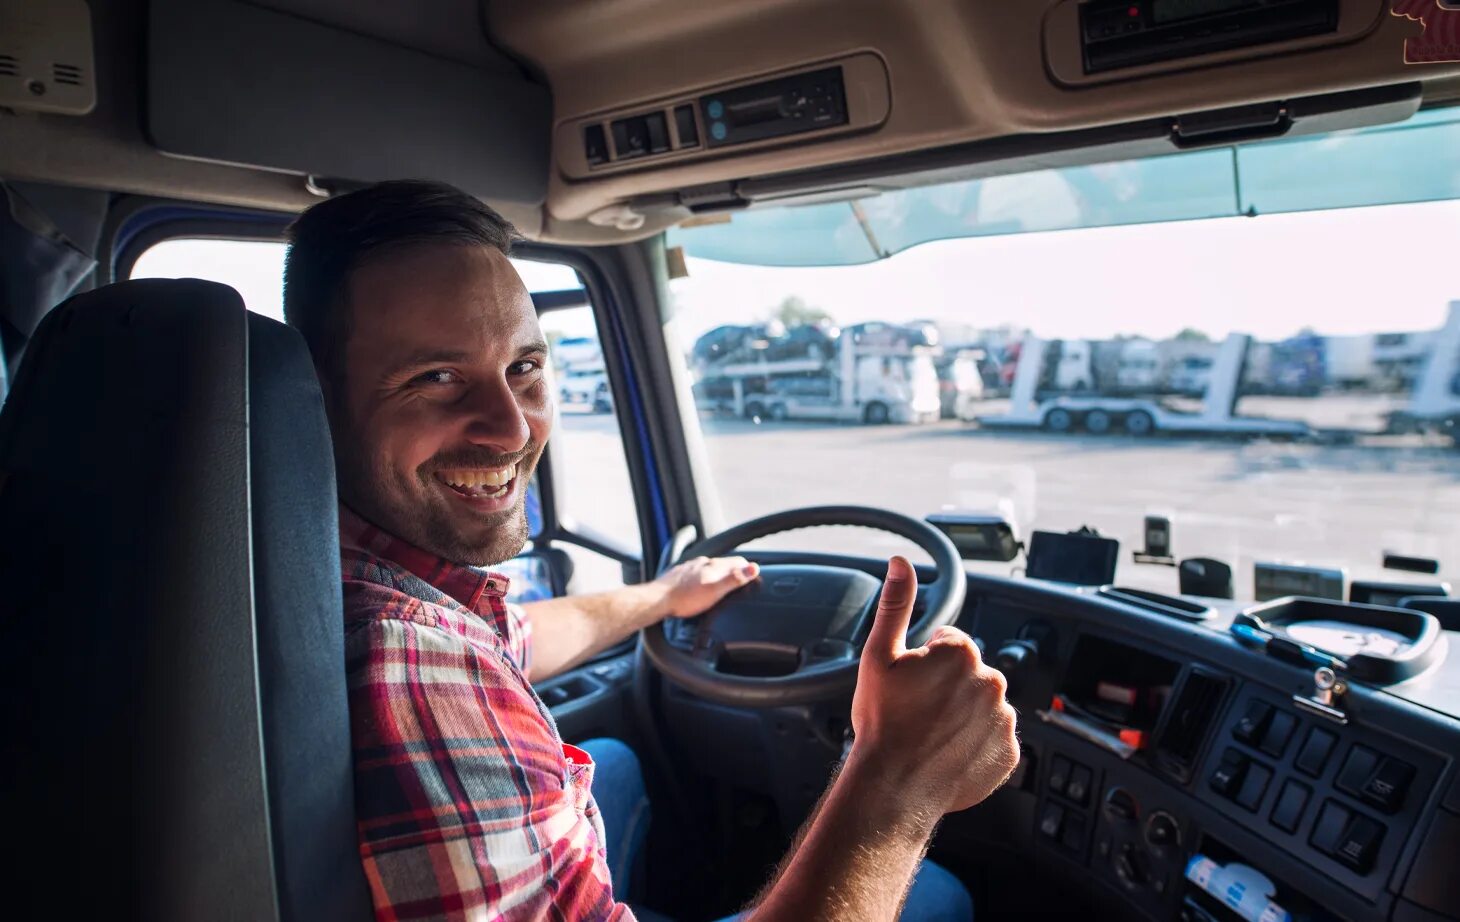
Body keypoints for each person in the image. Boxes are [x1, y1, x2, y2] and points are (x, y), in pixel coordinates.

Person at [283, 180, 1020, 921]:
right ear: (314, 402)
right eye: (436, 379)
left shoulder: (330, 569)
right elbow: (440, 661)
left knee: (619, 766)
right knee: (938, 896)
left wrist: (666, 597)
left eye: (525, 368)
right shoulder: (410, 664)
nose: (512, 430)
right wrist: (896, 778)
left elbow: (519, 635)